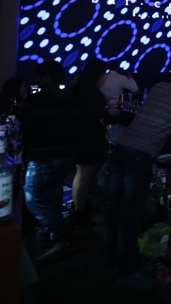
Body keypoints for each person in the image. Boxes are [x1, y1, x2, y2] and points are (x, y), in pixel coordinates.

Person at [105, 60, 171, 288]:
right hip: (141, 154)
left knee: (114, 207)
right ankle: (128, 271)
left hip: (122, 148)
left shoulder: (158, 86)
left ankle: (111, 259)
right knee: (131, 213)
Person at [20, 60, 76, 261]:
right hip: (64, 156)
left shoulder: (35, 101)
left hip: (42, 156)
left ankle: (61, 233)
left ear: (45, 78)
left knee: (34, 198)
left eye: (39, 76)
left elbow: (25, 128)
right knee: (52, 195)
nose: (36, 80)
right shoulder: (69, 98)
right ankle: (49, 234)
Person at [68, 58, 107, 227]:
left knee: (83, 174)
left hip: (79, 137)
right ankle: (79, 212)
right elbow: (94, 116)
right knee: (84, 175)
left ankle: (81, 206)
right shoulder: (93, 94)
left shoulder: (77, 89)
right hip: (88, 138)